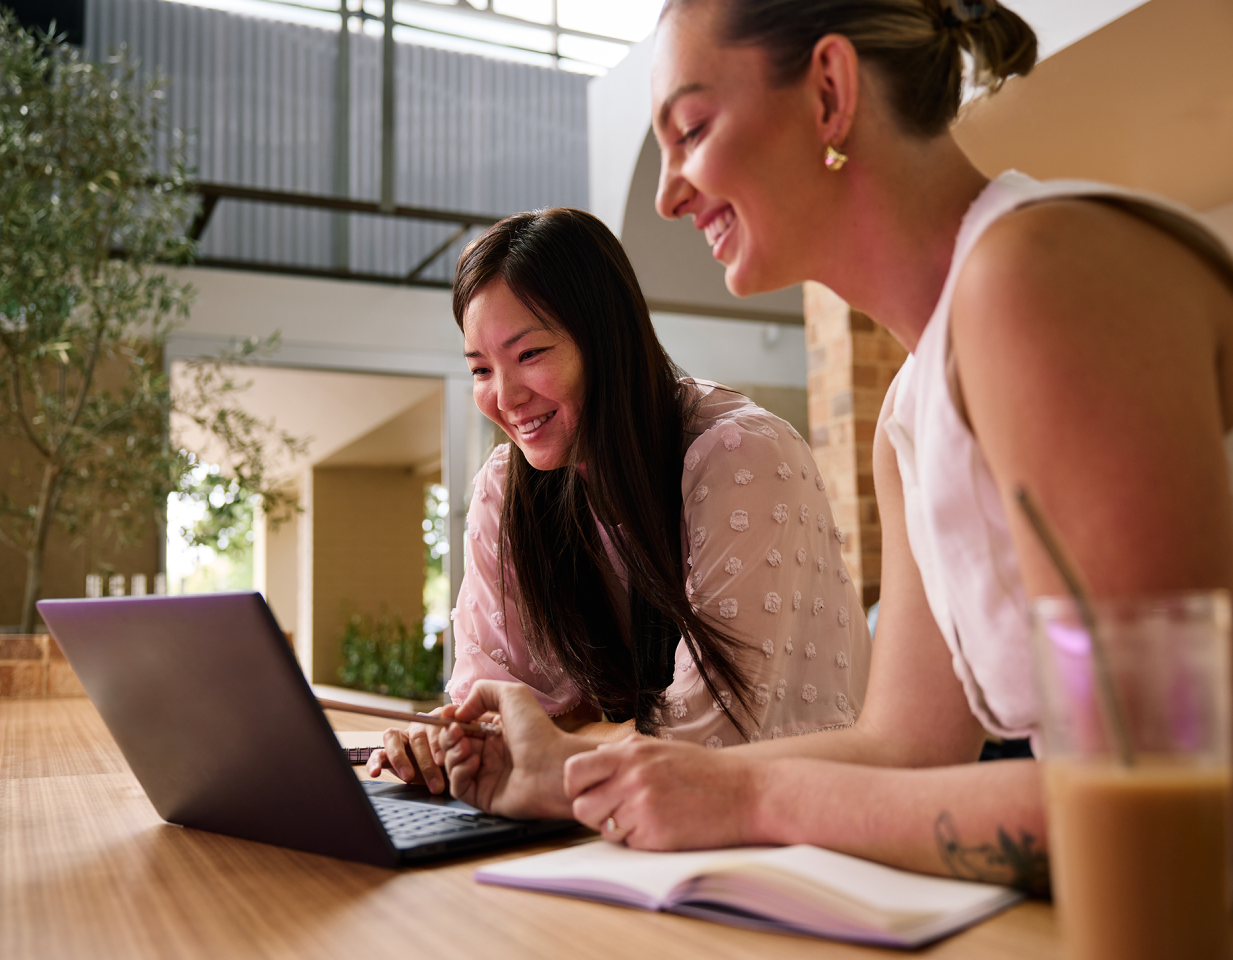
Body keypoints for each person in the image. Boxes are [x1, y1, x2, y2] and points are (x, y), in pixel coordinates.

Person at [439, 0, 1233, 892]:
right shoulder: (908, 418)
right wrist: (581, 779)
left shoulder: (1034, 277)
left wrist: (753, 801)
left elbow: (1153, 800)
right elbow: (907, 749)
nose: (665, 195)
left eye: (692, 129)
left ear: (829, 93)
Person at [369, 208, 871, 808]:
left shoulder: (741, 457)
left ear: (606, 339)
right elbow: (493, 719)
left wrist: (557, 740)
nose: (504, 398)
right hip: (617, 827)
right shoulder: (507, 490)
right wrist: (445, 747)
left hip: (802, 828)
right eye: (480, 369)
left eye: (529, 354)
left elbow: (712, 744)